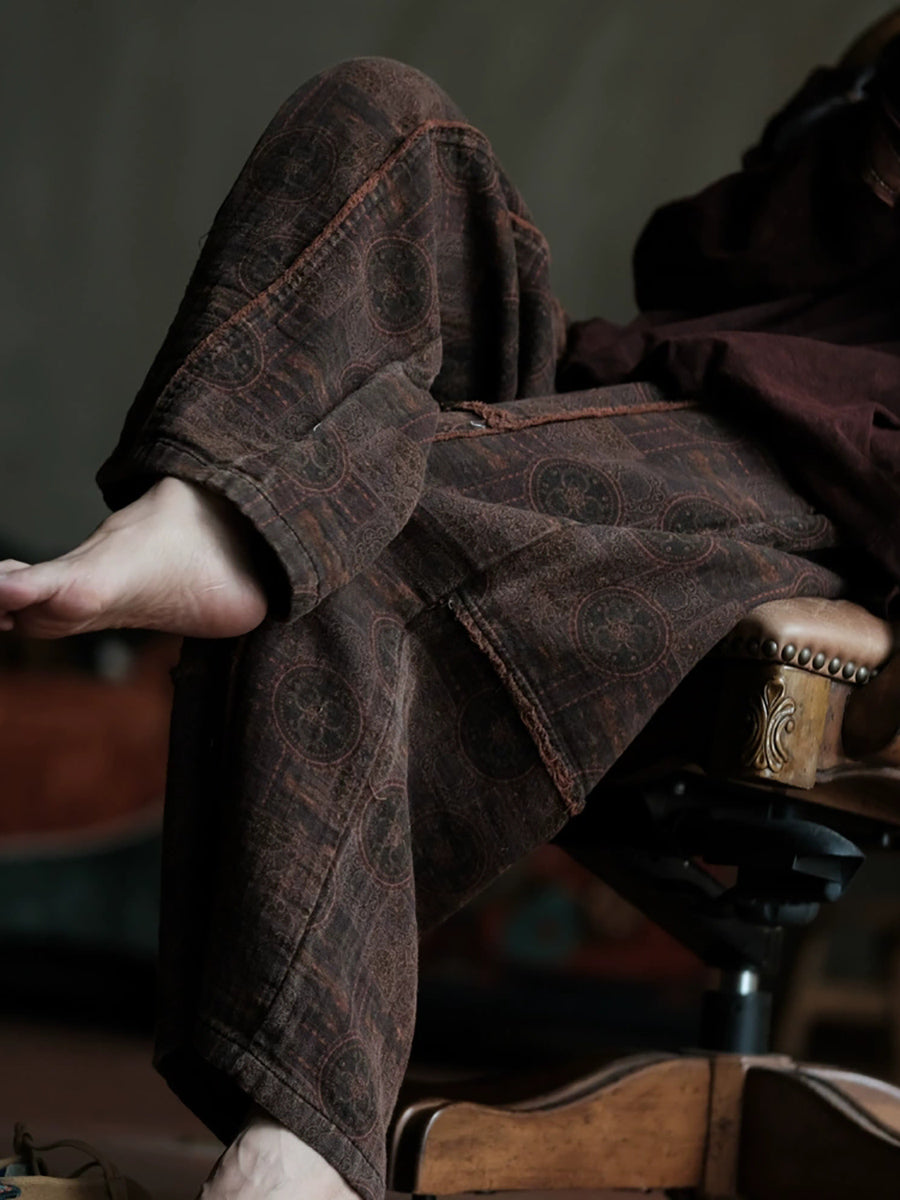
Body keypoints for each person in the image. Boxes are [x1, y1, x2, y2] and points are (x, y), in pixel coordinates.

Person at [3, 18, 900, 1200]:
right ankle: (210, 501)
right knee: (379, 112)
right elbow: (699, 267)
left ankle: (304, 1140)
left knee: (359, 505)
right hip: (624, 382)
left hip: (808, 468)